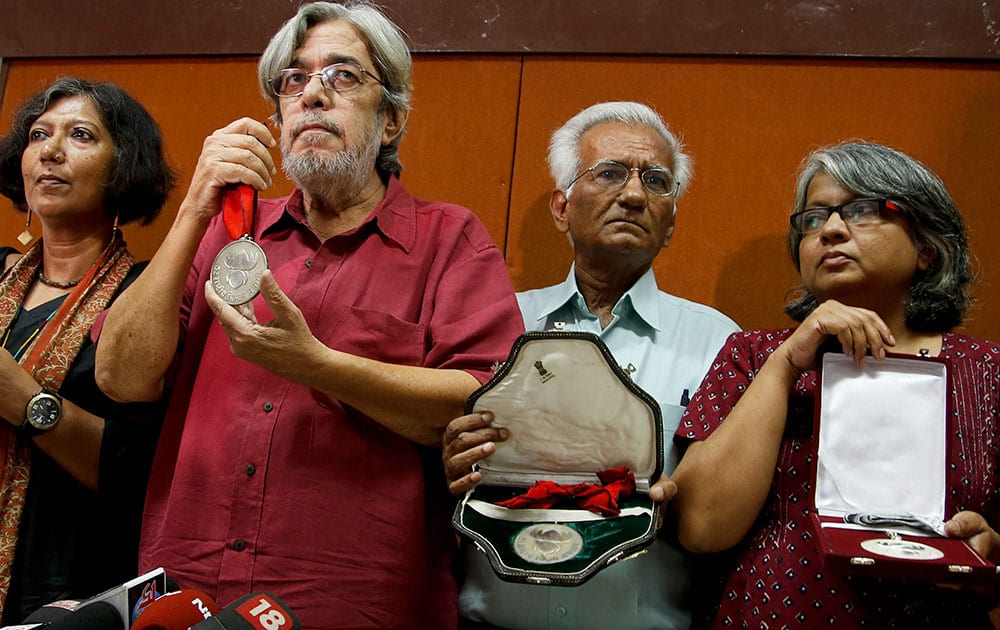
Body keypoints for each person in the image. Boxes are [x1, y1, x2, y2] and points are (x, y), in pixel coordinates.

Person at [93, 1, 524, 628]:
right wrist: (192, 211)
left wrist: (315, 365)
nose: (313, 96)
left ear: (392, 119)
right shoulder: (227, 231)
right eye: (294, 80)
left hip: (356, 599)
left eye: (343, 76)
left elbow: (482, 404)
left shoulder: (448, 237)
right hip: (189, 588)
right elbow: (121, 377)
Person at [671, 141, 1000, 627]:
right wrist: (787, 363)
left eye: (863, 210)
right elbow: (701, 527)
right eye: (813, 218)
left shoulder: (987, 370)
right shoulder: (753, 354)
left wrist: (988, 551)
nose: (831, 230)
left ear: (928, 248)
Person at [442, 101, 739, 630]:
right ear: (561, 207)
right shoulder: (495, 322)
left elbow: (721, 515)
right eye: (609, 174)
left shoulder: (719, 344)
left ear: (671, 223)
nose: (632, 194)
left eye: (655, 181)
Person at [0, 77, 172, 622]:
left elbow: (137, 475)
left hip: (68, 589)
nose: (49, 151)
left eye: (79, 136)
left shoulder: (142, 299)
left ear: (123, 168)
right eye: (37, 134)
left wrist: (25, 401)